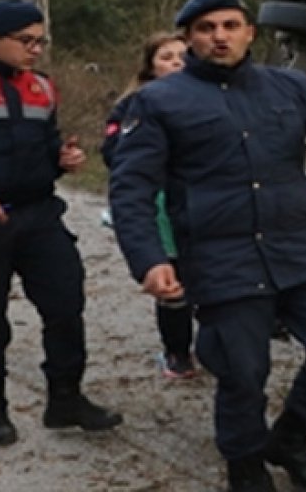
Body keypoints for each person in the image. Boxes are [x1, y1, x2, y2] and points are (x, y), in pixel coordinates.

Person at [110, 0, 306, 492]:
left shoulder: (288, 86)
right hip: (220, 258)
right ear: (189, 38)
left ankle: (291, 438)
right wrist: (149, 258)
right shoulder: (158, 101)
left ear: (249, 32)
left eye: (230, 26)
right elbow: (131, 188)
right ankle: (245, 462)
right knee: (242, 371)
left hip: (298, 249)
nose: (220, 36)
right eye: (206, 28)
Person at [0, 0, 123, 446]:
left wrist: (63, 159)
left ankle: (65, 398)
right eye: (26, 41)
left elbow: (46, 144)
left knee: (66, 305)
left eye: (40, 41)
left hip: (39, 214)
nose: (36, 49)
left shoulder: (42, 87)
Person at [101, 31, 196, 378]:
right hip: (159, 201)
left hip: (204, 201)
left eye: (183, 56)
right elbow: (113, 154)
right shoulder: (133, 105)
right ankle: (177, 353)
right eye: (166, 57)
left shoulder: (213, 98)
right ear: (150, 66)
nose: (176, 63)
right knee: (172, 278)